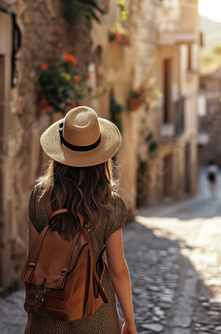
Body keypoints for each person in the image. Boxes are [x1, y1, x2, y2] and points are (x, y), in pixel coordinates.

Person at [24, 106, 137, 334]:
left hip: (47, 314)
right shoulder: (110, 204)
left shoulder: (39, 196)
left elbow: (33, 263)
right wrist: (130, 322)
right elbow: (118, 271)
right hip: (97, 316)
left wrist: (30, 319)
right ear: (102, 155)